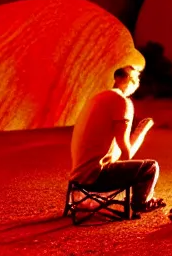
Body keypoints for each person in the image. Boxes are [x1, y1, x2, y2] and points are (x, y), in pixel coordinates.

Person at [70, 66, 165, 213]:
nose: (137, 82)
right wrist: (141, 132)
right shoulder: (121, 101)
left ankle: (141, 201)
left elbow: (117, 151)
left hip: (78, 177)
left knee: (139, 167)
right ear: (128, 80)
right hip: (96, 177)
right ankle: (141, 203)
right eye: (136, 79)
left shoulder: (99, 97)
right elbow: (124, 148)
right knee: (150, 167)